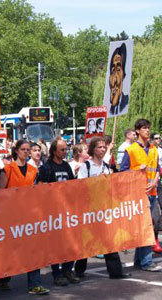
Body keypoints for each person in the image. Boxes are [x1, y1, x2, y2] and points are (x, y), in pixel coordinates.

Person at [74, 137, 130, 279]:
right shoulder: (85, 166)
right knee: (87, 241)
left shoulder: (106, 166)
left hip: (104, 209)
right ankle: (79, 270)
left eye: (104, 147)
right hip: (89, 210)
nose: (103, 149)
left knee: (109, 240)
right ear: (93, 149)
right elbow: (81, 187)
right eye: (99, 147)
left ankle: (115, 271)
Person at [0, 140, 49, 295]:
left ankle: (34, 284)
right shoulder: (7, 170)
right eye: (23, 149)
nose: (26, 152)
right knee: (11, 250)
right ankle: (3, 277)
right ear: (16, 151)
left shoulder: (33, 170)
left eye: (28, 150)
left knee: (33, 249)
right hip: (11, 216)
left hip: (29, 215)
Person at [120, 119, 162, 272]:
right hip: (138, 194)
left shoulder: (153, 149)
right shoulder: (130, 150)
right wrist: (137, 170)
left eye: (149, 128)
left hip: (151, 192)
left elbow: (157, 168)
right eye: (144, 128)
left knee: (145, 227)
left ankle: (139, 260)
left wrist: (155, 181)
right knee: (146, 227)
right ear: (137, 131)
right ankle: (146, 262)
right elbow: (123, 172)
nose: (147, 131)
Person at [37, 137, 79, 286]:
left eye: (66, 149)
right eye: (62, 149)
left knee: (71, 242)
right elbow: (39, 188)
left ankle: (68, 269)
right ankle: (57, 273)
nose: (65, 152)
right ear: (54, 151)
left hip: (67, 210)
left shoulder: (67, 166)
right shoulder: (46, 168)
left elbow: (73, 184)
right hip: (52, 212)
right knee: (56, 244)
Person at [109, 43, 129, 115]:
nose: (114, 77)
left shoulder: (126, 102)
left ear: (124, 74)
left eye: (118, 69)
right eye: (113, 70)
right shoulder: (108, 109)